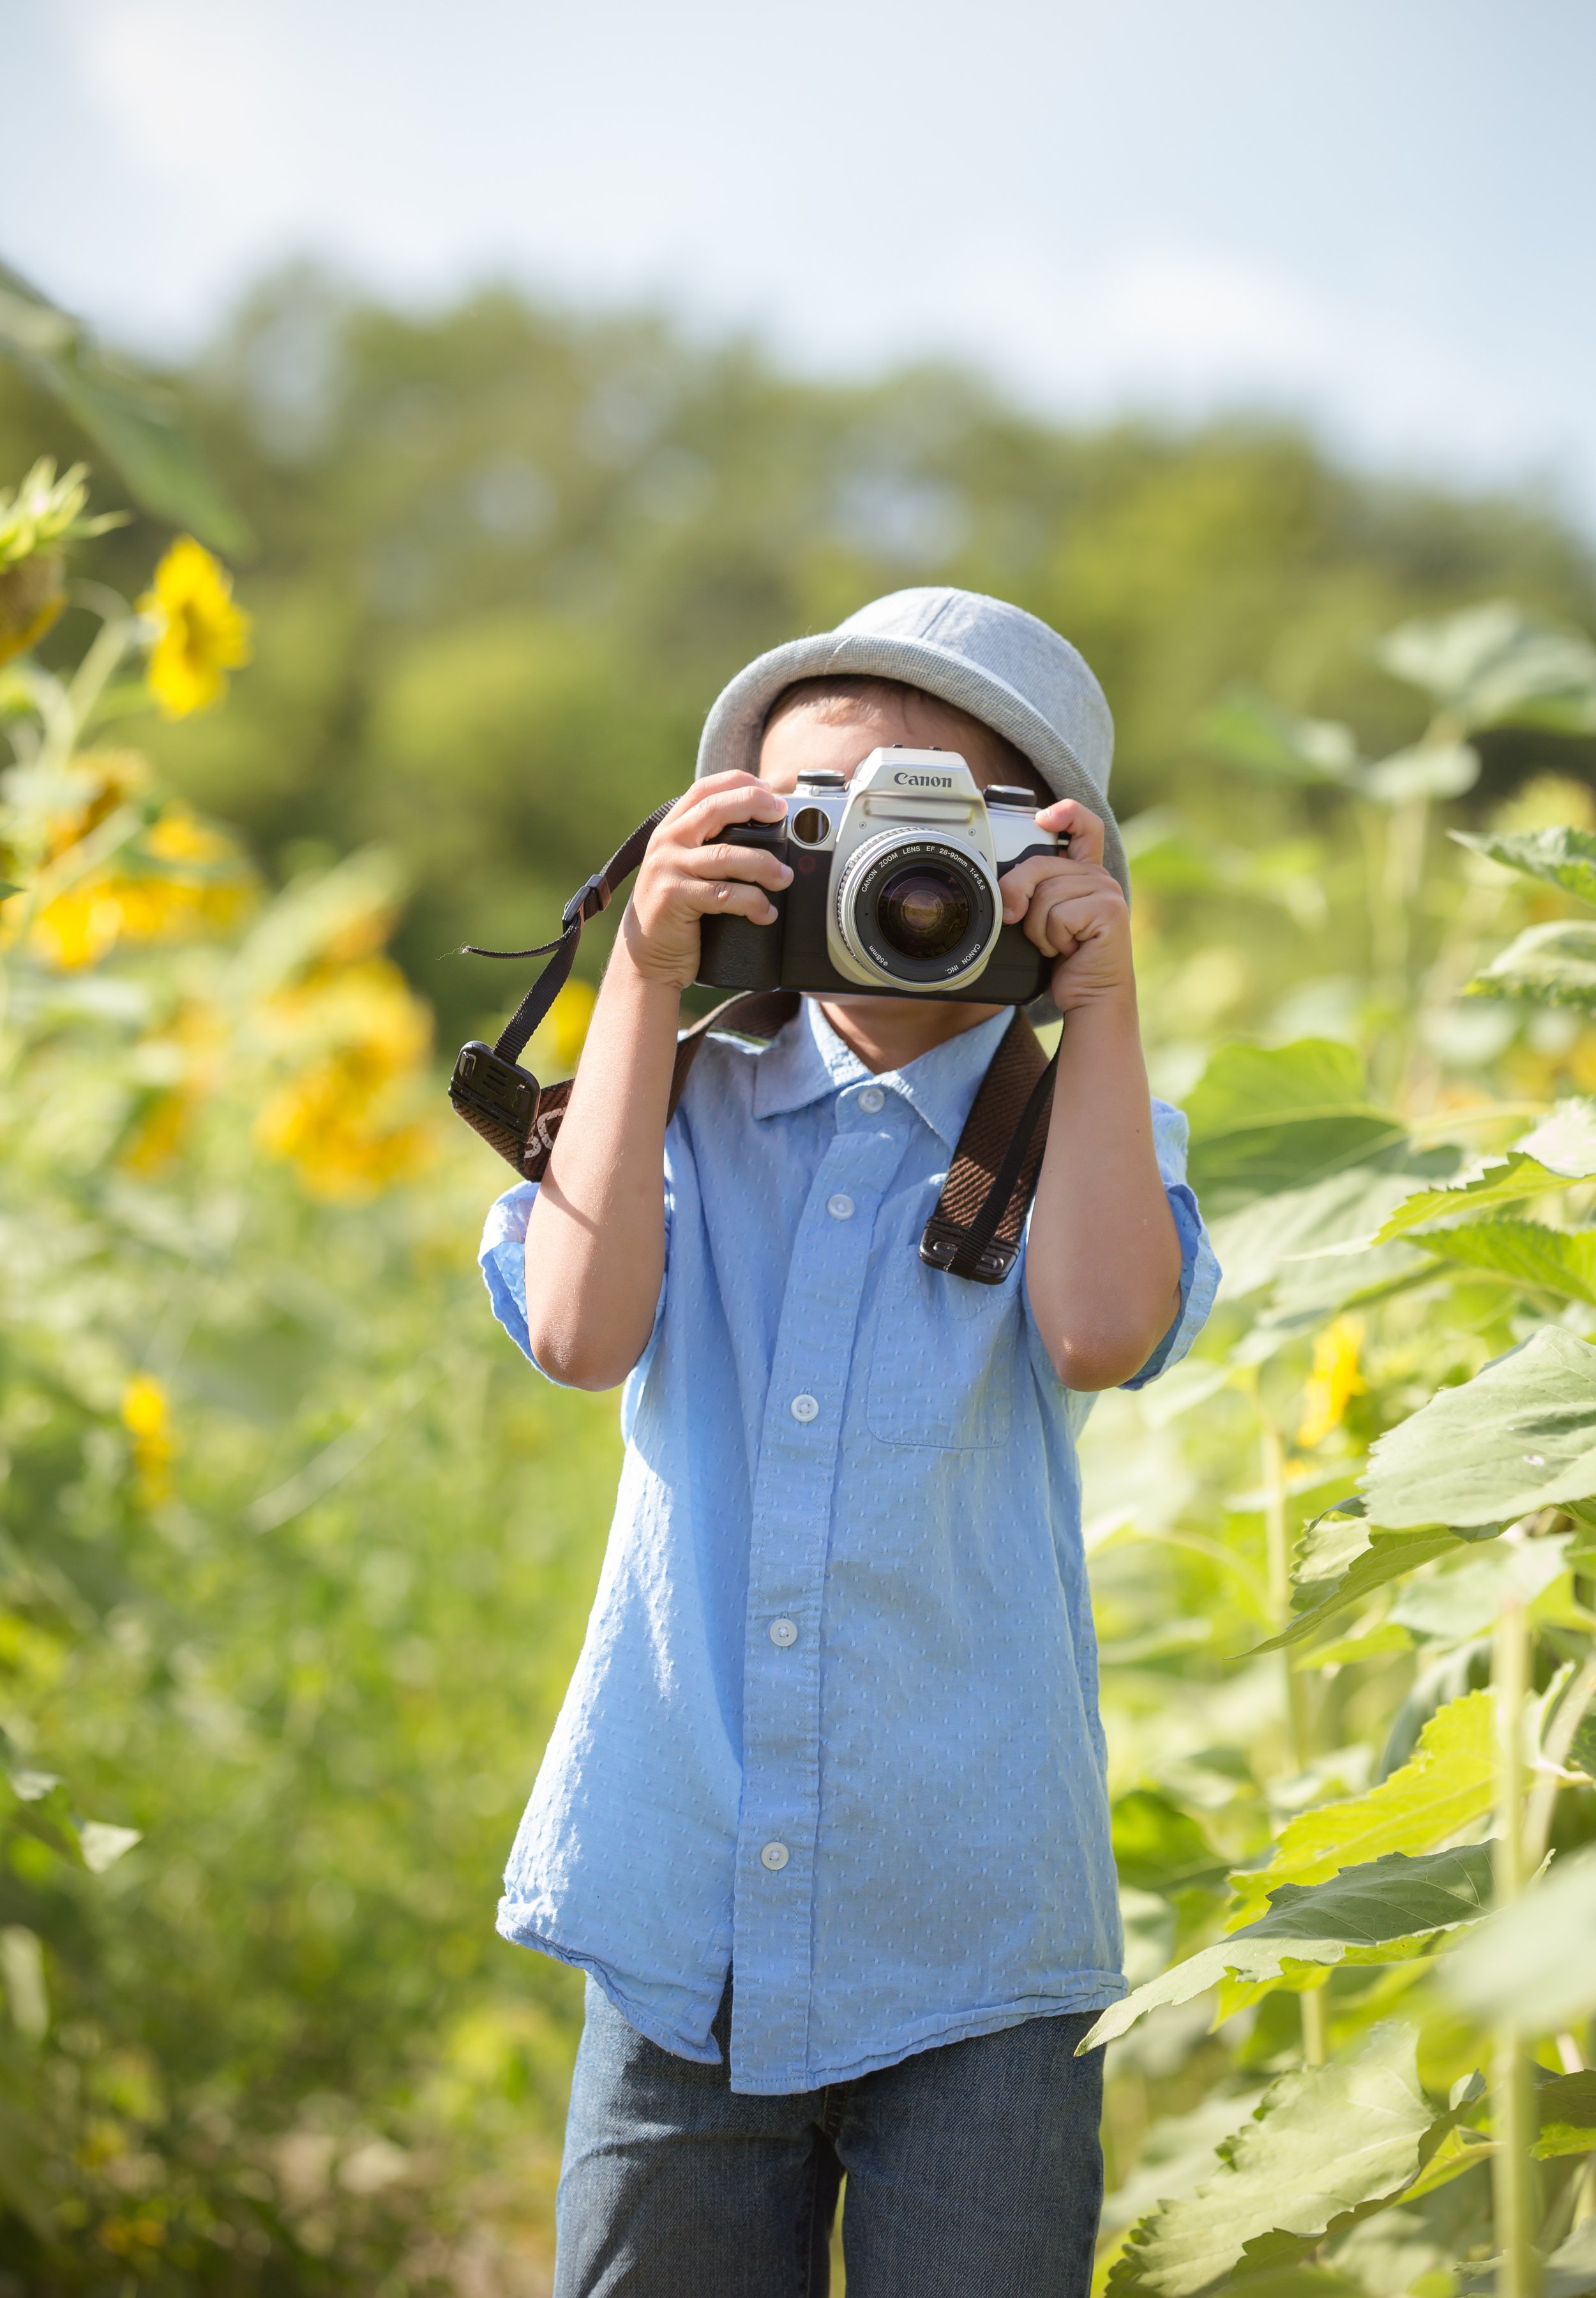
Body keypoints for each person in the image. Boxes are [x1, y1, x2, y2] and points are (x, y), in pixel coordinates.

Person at [479, 588, 1219, 2297]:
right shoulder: (672, 1102)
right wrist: (644, 981)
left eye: (935, 834)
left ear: (1050, 855)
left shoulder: (1085, 1127)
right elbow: (582, 1339)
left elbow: (1103, 1330)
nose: (887, 887)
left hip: (974, 1943)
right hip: (685, 1921)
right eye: (819, 830)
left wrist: (1098, 995)